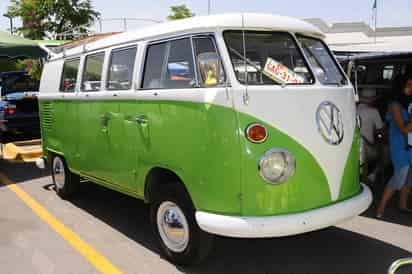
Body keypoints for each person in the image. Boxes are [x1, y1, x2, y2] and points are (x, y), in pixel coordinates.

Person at [376, 77, 412, 218]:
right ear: (400, 86)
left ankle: (402, 205)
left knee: (410, 177)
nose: (411, 88)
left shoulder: (408, 102)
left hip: (410, 143)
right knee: (400, 176)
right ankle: (381, 208)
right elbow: (403, 129)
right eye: (408, 85)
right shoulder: (394, 105)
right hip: (399, 144)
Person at [357, 88, 385, 182]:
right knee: (386, 152)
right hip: (367, 149)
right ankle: (373, 174)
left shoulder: (352, 108)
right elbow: (381, 131)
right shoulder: (373, 111)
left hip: (354, 147)